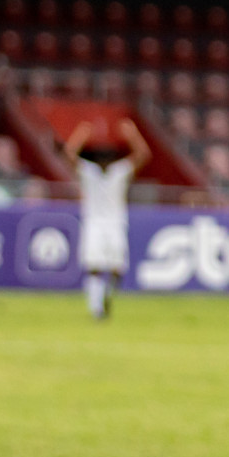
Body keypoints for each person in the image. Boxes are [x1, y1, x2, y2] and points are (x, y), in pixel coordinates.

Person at [61, 118, 150, 320]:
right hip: (93, 223)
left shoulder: (119, 172)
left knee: (117, 268)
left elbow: (143, 155)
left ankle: (105, 298)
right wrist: (81, 135)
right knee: (94, 265)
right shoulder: (89, 172)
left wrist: (133, 135)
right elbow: (68, 154)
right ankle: (96, 309)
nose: (104, 162)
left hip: (116, 223)